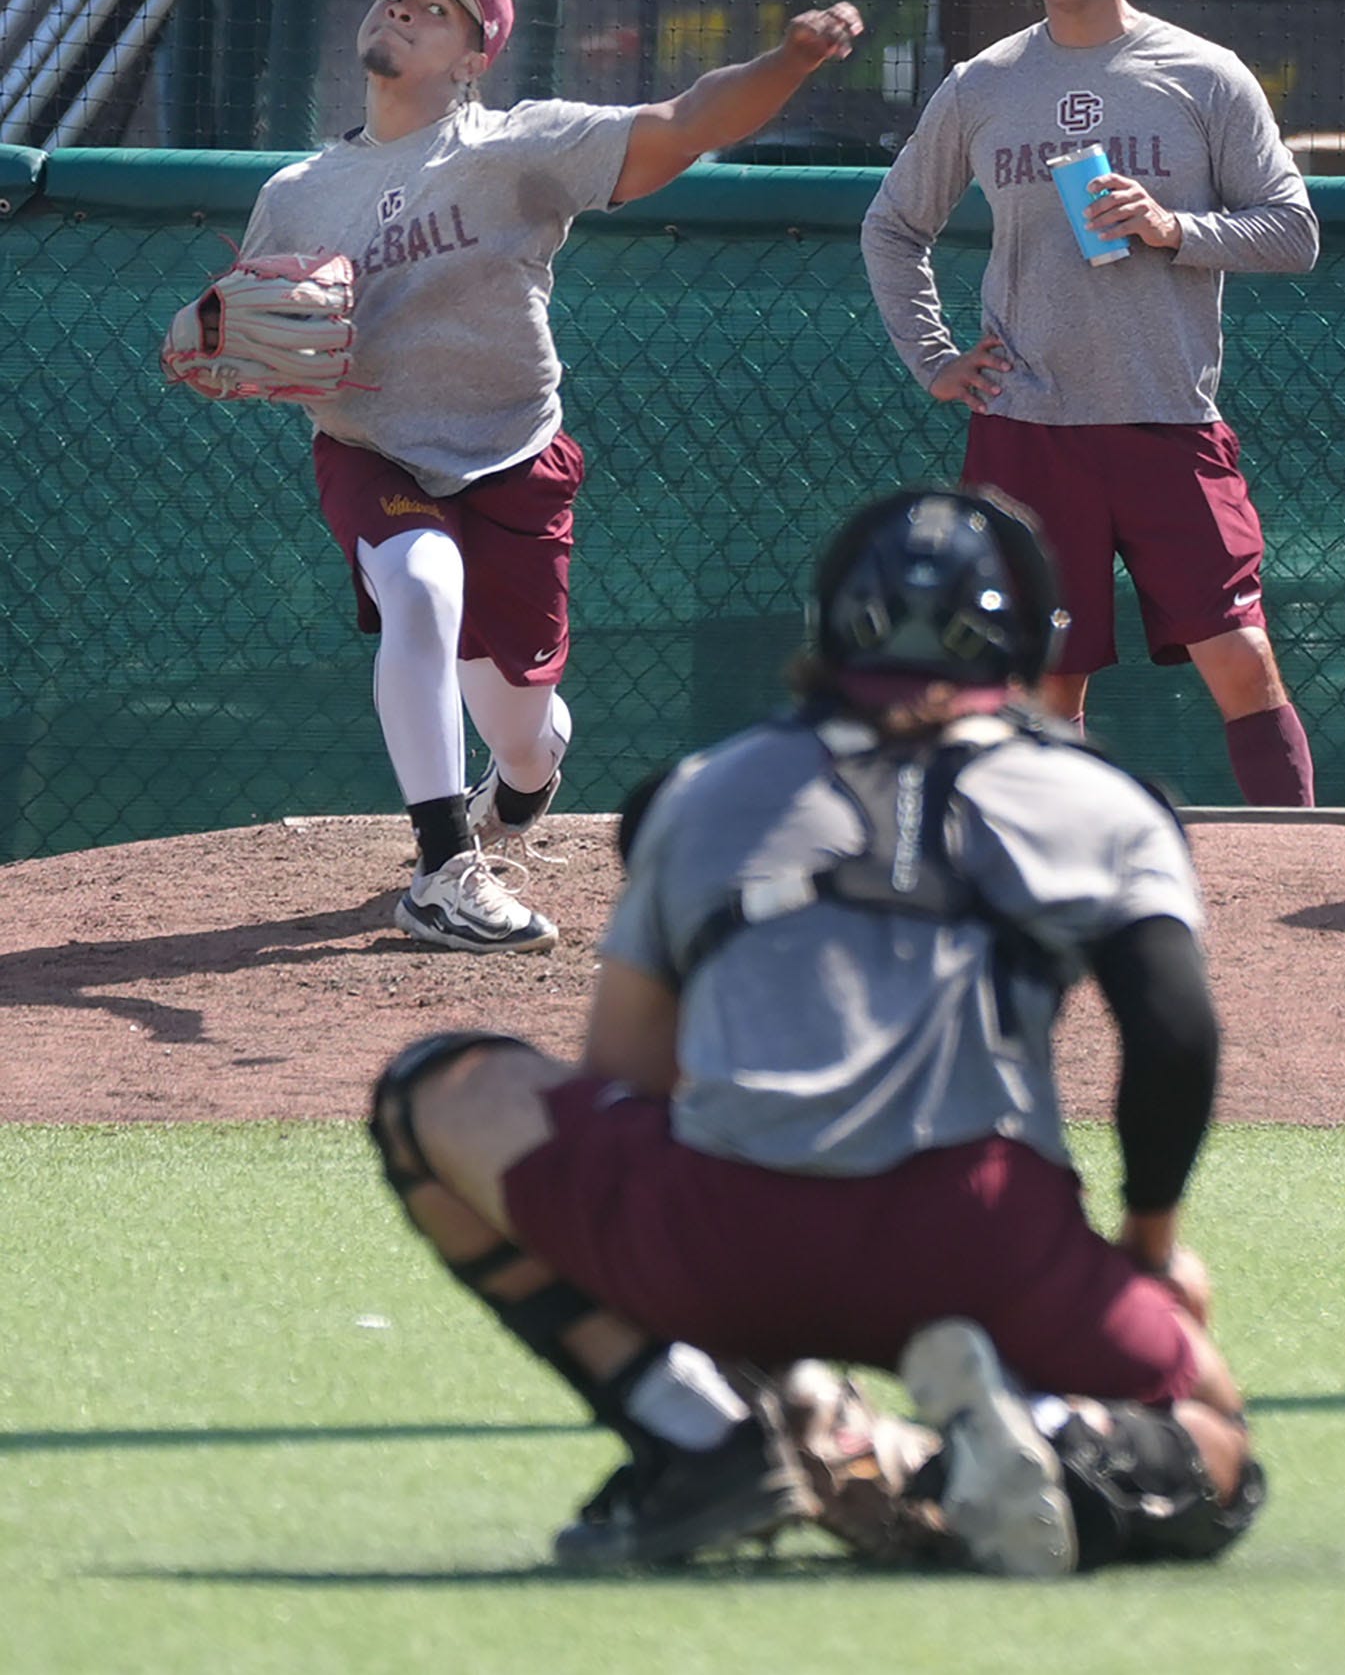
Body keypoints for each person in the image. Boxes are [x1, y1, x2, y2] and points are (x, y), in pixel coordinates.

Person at [361, 486, 1262, 1574]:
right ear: (1025, 637)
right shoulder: (1105, 799)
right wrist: (1151, 1245)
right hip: (984, 1233)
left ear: (830, 626)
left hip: (723, 1235)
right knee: (1213, 1439)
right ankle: (1032, 1445)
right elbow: (1176, 1032)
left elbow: (627, 1081)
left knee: (432, 1087)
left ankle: (706, 1433)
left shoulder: (699, 791)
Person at [240, 0, 862, 954]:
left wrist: (787, 59)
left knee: (522, 722)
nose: (399, 8)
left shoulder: (514, 147)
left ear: (475, 56)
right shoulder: (299, 190)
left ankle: (522, 778)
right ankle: (444, 870)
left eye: (431, 8)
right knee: (422, 584)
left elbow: (683, 123)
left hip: (508, 455)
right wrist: (217, 344)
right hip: (373, 449)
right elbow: (260, 346)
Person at [858, 0, 1328, 804]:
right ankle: (1049, 877)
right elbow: (894, 226)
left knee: (1242, 661)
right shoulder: (982, 85)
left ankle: (1305, 881)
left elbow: (1294, 232)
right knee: (1044, 684)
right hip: (1028, 430)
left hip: (1167, 419)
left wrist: (1171, 227)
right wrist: (938, 360)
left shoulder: (1206, 74)